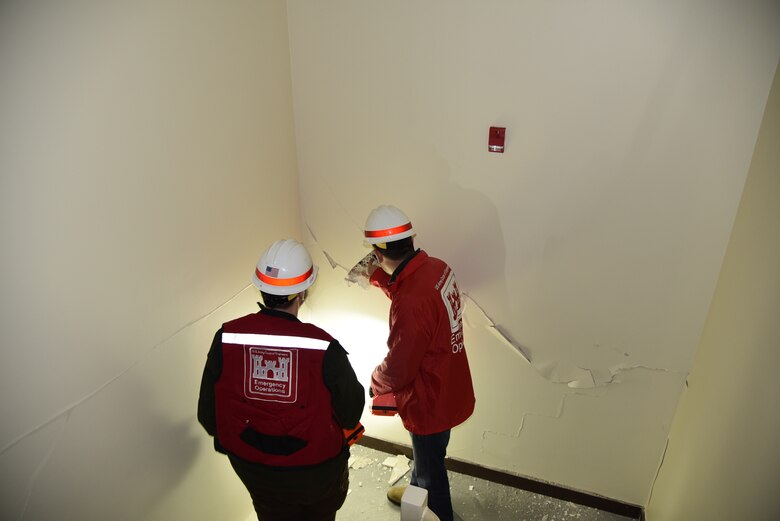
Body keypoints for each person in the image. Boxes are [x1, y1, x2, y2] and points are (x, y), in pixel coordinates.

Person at [198, 239, 365, 521]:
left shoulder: (226, 337)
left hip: (252, 468)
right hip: (315, 471)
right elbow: (350, 413)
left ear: (262, 289)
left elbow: (208, 415)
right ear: (302, 294)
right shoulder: (324, 347)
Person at [360, 205, 475, 521]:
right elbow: (414, 300)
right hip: (450, 384)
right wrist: (378, 279)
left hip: (429, 398)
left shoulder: (411, 300)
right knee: (429, 455)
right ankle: (415, 487)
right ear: (410, 239)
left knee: (431, 469)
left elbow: (400, 367)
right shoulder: (437, 268)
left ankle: (434, 509)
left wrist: (375, 382)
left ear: (377, 252)